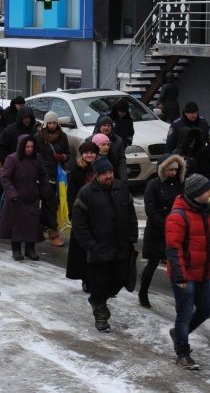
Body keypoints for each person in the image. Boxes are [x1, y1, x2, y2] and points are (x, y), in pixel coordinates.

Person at [72, 157, 138, 333]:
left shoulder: (121, 188)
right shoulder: (86, 194)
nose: (109, 176)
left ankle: (97, 300)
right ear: (97, 175)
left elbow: (131, 214)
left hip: (121, 246)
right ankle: (101, 315)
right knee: (100, 284)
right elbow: (79, 224)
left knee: (121, 279)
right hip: (99, 249)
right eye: (105, 174)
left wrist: (132, 235)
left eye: (111, 172)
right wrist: (90, 245)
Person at [165, 173, 210, 370]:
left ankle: (179, 333)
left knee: (206, 309)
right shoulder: (178, 216)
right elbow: (174, 249)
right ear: (197, 193)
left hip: (205, 272)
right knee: (185, 313)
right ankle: (182, 352)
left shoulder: (207, 211)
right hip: (185, 275)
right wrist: (180, 276)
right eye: (207, 190)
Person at [140, 154, 186, 309]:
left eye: (175, 169)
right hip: (157, 230)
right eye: (170, 169)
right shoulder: (153, 185)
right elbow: (150, 209)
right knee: (152, 264)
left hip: (176, 231)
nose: (173, 173)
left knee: (177, 265)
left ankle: (181, 298)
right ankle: (143, 292)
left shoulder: (181, 184)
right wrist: (165, 224)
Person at [0, 134, 52, 262]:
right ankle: (16, 249)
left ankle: (30, 249)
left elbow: (43, 176)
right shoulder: (12, 159)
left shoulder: (37, 159)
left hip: (32, 196)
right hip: (16, 198)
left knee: (32, 224)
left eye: (32, 147)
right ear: (21, 146)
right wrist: (12, 193)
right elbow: (5, 178)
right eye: (27, 146)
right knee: (16, 224)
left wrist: (44, 190)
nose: (29, 149)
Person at [66, 142, 100, 291]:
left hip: (99, 215)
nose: (89, 155)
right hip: (82, 215)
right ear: (82, 154)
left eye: (92, 152)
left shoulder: (102, 168)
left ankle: (99, 279)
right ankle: (86, 279)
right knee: (83, 251)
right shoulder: (76, 171)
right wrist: (73, 214)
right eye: (86, 153)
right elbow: (71, 195)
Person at [35, 111, 71, 247]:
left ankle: (52, 232)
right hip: (43, 177)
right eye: (49, 123)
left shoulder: (63, 137)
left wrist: (63, 157)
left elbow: (69, 155)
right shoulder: (39, 137)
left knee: (54, 205)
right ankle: (47, 232)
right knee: (45, 205)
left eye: (54, 122)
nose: (52, 125)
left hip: (58, 176)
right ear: (45, 123)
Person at [88, 117, 127, 183]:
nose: (106, 128)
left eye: (108, 126)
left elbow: (121, 160)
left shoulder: (118, 140)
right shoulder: (90, 140)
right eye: (104, 125)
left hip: (113, 175)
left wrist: (124, 179)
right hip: (97, 176)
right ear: (99, 127)